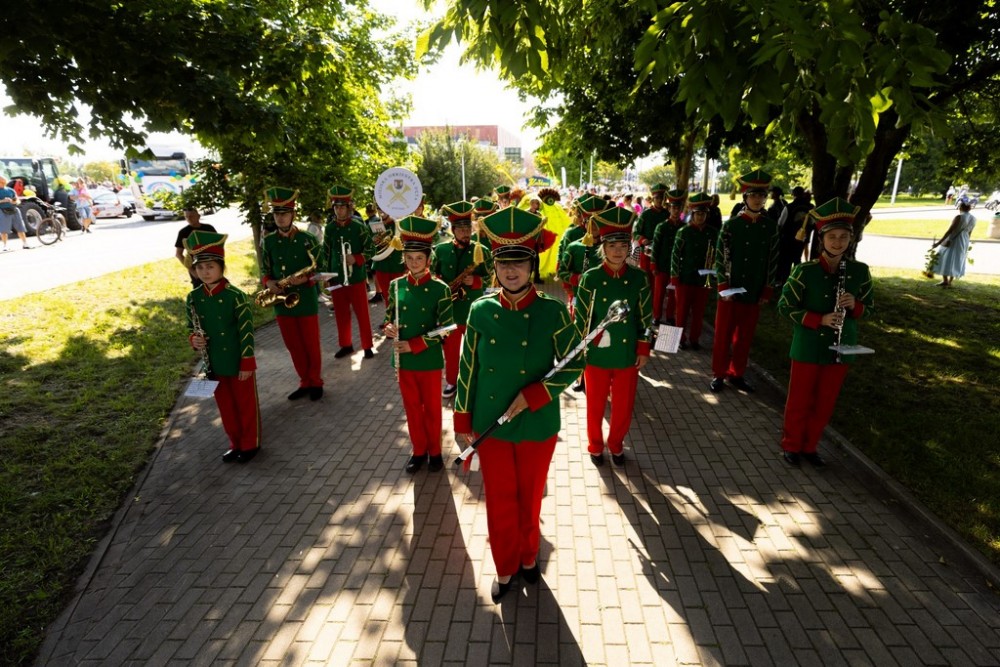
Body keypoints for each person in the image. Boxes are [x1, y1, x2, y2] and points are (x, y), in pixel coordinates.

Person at [454, 205, 583, 603]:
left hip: (537, 423)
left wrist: (536, 394)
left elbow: (575, 362)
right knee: (499, 501)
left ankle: (529, 558)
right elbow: (468, 368)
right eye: (503, 263)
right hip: (491, 423)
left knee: (530, 497)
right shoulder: (480, 310)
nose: (511, 271)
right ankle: (505, 567)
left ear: (532, 265)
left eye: (520, 262)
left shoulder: (552, 310)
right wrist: (462, 421)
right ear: (494, 266)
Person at [777, 198, 874, 467]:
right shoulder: (804, 272)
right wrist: (818, 319)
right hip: (807, 345)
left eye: (844, 237)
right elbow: (784, 306)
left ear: (851, 239)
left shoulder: (859, 271)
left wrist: (856, 306)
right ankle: (791, 444)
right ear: (821, 240)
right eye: (832, 237)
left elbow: (870, 309)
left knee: (825, 402)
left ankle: (810, 446)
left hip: (842, 346)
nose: (838, 242)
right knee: (799, 400)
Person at [574, 206, 652, 467]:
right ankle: (595, 446)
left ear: (629, 247)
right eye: (612, 245)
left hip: (627, 354)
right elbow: (581, 319)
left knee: (623, 406)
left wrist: (643, 348)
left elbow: (646, 317)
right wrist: (581, 350)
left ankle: (617, 444)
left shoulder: (639, 278)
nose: (618, 251)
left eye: (623, 245)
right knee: (595, 405)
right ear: (603, 248)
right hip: (596, 353)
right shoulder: (591, 278)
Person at [383, 215, 454, 473]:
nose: (414, 263)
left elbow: (446, 328)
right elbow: (388, 317)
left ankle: (435, 452)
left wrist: (415, 345)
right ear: (404, 258)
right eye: (410, 258)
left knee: (432, 409)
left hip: (428, 359)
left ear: (428, 259)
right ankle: (418, 451)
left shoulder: (440, 289)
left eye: (419, 258)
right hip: (403, 361)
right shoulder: (396, 285)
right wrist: (388, 328)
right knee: (412, 409)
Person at [184, 230, 260, 463]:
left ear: (221, 267)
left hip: (237, 360)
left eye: (210, 266)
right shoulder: (193, 297)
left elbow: (246, 332)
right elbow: (191, 327)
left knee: (245, 405)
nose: (205, 272)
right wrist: (194, 339)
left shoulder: (235, 296)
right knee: (226, 407)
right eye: (200, 267)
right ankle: (234, 443)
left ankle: (250, 444)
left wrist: (247, 362)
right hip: (213, 363)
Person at [710, 169, 780, 394]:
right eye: (753, 195)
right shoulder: (731, 226)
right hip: (730, 291)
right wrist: (723, 286)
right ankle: (718, 373)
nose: (758, 199)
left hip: (754, 289)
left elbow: (773, 260)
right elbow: (720, 258)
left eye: (762, 195)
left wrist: (767, 289)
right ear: (745, 197)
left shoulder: (770, 227)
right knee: (723, 336)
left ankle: (737, 373)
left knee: (744, 338)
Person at [260, 187, 325, 400]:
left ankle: (316, 382)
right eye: (277, 214)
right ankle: (304, 381)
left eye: (285, 213)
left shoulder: (308, 239)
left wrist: (307, 278)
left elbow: (321, 268)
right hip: (281, 301)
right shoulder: (269, 242)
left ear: (293, 214)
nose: (280, 218)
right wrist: (269, 282)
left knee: (311, 345)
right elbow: (265, 270)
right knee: (294, 346)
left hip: (305, 300)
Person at [432, 200, 493, 399]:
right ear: (453, 230)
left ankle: (477, 381)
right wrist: (441, 284)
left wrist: (476, 281)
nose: (466, 233)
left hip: (473, 309)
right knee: (450, 350)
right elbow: (432, 274)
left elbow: (492, 276)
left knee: (476, 349)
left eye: (468, 228)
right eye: (461, 229)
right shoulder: (441, 250)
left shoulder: (481, 250)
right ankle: (452, 381)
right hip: (449, 310)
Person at [323, 185, 376, 359]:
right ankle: (346, 345)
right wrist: (326, 275)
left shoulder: (359, 227)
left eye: (342, 207)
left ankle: (367, 346)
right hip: (336, 278)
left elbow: (371, 249)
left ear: (349, 207)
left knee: (362, 314)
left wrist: (357, 258)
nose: (339, 210)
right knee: (341, 315)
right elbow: (325, 253)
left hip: (356, 278)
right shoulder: (330, 228)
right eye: (336, 207)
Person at [670, 192, 718, 350]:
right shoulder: (684, 232)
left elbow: (717, 255)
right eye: (697, 214)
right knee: (681, 311)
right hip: (685, 277)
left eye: (703, 214)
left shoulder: (713, 233)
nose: (700, 217)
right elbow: (675, 255)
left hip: (704, 279)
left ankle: (694, 339)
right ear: (692, 214)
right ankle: (679, 339)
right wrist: (674, 275)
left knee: (699, 312)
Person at [650, 188, 687, 324]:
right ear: (669, 209)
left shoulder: (684, 228)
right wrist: (653, 264)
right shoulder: (662, 227)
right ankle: (656, 316)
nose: (676, 211)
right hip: (662, 264)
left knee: (673, 293)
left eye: (678, 208)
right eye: (673, 208)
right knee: (659, 293)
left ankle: (670, 316)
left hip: (677, 267)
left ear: (681, 209)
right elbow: (656, 246)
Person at [931, 201, 976, 287]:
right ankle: (950, 281)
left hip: (953, 240)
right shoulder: (974, 219)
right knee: (957, 259)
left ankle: (945, 281)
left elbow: (950, 231)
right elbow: (969, 233)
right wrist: (966, 243)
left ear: (961, 208)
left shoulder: (959, 217)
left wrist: (938, 243)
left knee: (945, 257)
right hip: (964, 241)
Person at [776, 186, 813, 285]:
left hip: (788, 238)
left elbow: (780, 223)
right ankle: (797, 281)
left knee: (787, 261)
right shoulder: (811, 207)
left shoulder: (789, 207)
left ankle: (785, 282)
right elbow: (812, 223)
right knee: (797, 259)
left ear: (793, 195)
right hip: (803, 238)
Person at [370, 206, 405, 306]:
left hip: (397, 265)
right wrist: (373, 241)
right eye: (379, 208)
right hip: (382, 266)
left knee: (401, 298)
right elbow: (368, 247)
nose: (381, 211)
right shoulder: (374, 225)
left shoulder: (400, 224)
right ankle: (389, 316)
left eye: (384, 208)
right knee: (387, 297)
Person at [632, 183, 669, 277]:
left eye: (662, 198)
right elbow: (635, 232)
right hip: (647, 252)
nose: (659, 200)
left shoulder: (668, 214)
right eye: (657, 198)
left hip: (663, 254)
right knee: (646, 278)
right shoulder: (645, 214)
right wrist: (642, 240)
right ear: (653, 199)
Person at [174, 206, 218, 286]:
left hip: (212, 264)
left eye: (191, 216)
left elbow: (218, 246)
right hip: (197, 267)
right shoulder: (183, 232)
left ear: (198, 216)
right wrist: (192, 271)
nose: (189, 219)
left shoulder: (209, 228)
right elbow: (178, 254)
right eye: (186, 217)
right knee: (201, 290)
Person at [0, 176, 32, 251]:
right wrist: (3, 201)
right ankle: (5, 246)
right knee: (4, 230)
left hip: (14, 210)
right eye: (1, 181)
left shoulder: (11, 190)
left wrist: (13, 201)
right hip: (2, 211)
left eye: (3, 181)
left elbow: (17, 201)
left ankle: (25, 243)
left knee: (20, 228)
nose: (3, 183)